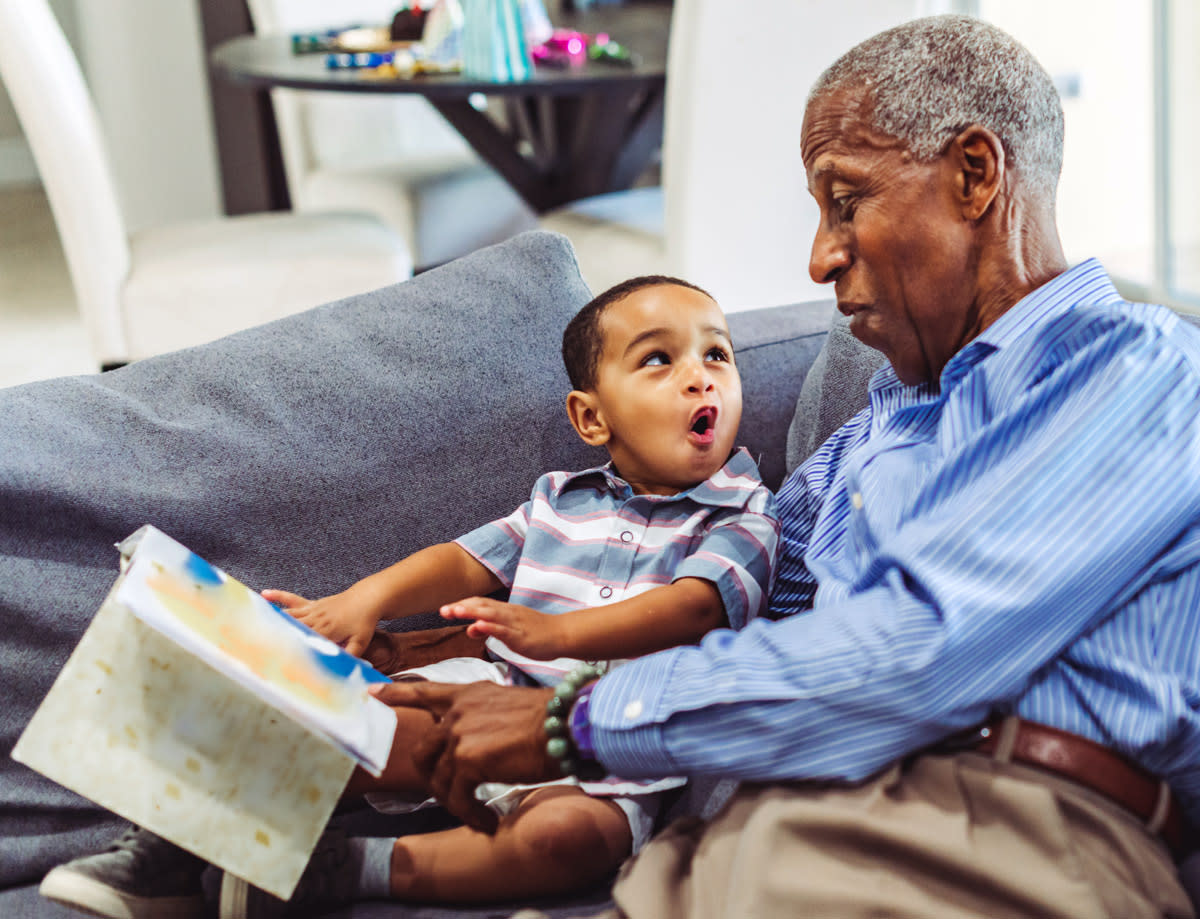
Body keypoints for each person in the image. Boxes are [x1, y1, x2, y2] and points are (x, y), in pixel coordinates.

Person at [375, 14, 1200, 919]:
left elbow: (917, 650)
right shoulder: (867, 435)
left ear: (975, 175)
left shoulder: (1136, 370)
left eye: (845, 201)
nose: (819, 258)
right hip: (757, 828)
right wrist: (439, 653)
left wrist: (572, 721)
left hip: (997, 831)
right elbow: (717, 601)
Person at [38, 275, 778, 919]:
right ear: (591, 418)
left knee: (572, 841)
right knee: (354, 714)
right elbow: (459, 560)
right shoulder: (560, 499)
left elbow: (693, 608)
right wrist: (367, 599)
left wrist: (557, 635)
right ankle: (176, 847)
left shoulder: (743, 515)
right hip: (489, 695)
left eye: (718, 353)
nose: (700, 376)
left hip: (610, 749)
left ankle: (338, 871)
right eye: (660, 358)